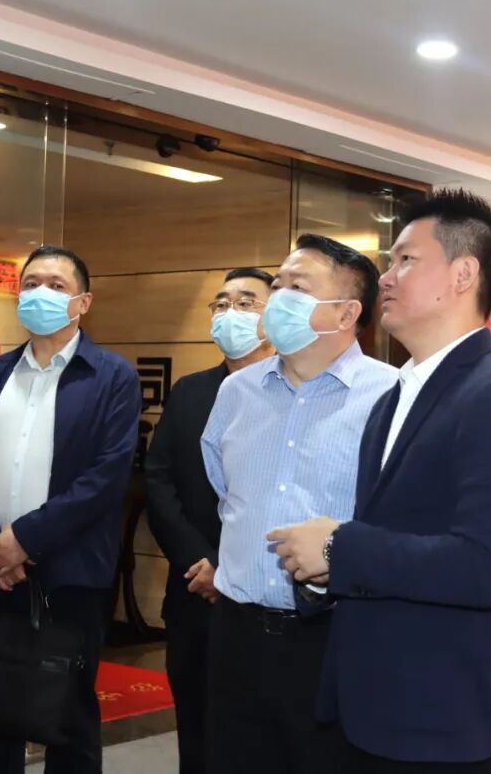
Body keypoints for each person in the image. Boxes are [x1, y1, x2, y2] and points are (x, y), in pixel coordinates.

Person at [268, 190, 491, 773]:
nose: (387, 277)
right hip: (369, 706)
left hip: (435, 719)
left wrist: (339, 547)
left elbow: (482, 568)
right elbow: (393, 533)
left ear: (463, 274)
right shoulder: (396, 396)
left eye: (405, 260)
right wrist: (324, 569)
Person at [200, 235, 398, 774]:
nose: (279, 297)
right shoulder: (236, 392)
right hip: (237, 634)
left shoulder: (391, 396)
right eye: (279, 283)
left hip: (334, 637)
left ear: (347, 313)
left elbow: (397, 523)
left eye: (298, 287)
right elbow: (227, 493)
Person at [0, 245, 142, 774]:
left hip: (67, 573)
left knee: (68, 718)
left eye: (56, 285)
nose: (40, 294)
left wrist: (23, 541)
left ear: (83, 302)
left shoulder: (111, 376)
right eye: (31, 283)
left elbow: (104, 479)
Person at [145, 266, 275, 774]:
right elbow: (159, 480)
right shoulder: (190, 391)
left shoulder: (293, 391)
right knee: (196, 731)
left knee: (259, 739)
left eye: (245, 303)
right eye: (220, 304)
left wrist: (232, 566)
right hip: (194, 590)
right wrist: (199, 559)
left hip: (265, 596)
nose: (228, 313)